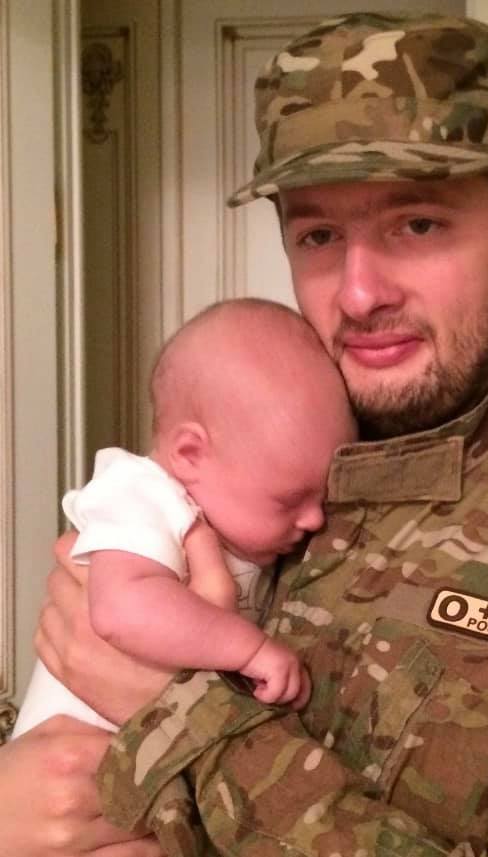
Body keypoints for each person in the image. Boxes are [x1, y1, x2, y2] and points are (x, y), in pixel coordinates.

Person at [6, 11, 488, 857]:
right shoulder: (233, 462)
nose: (359, 293)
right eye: (318, 234)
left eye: (418, 223)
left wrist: (189, 723)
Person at [12, 298, 356, 740]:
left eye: (322, 497)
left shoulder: (243, 525)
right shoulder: (140, 493)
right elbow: (121, 610)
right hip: (63, 755)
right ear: (190, 454)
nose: (313, 519)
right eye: (289, 500)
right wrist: (249, 649)